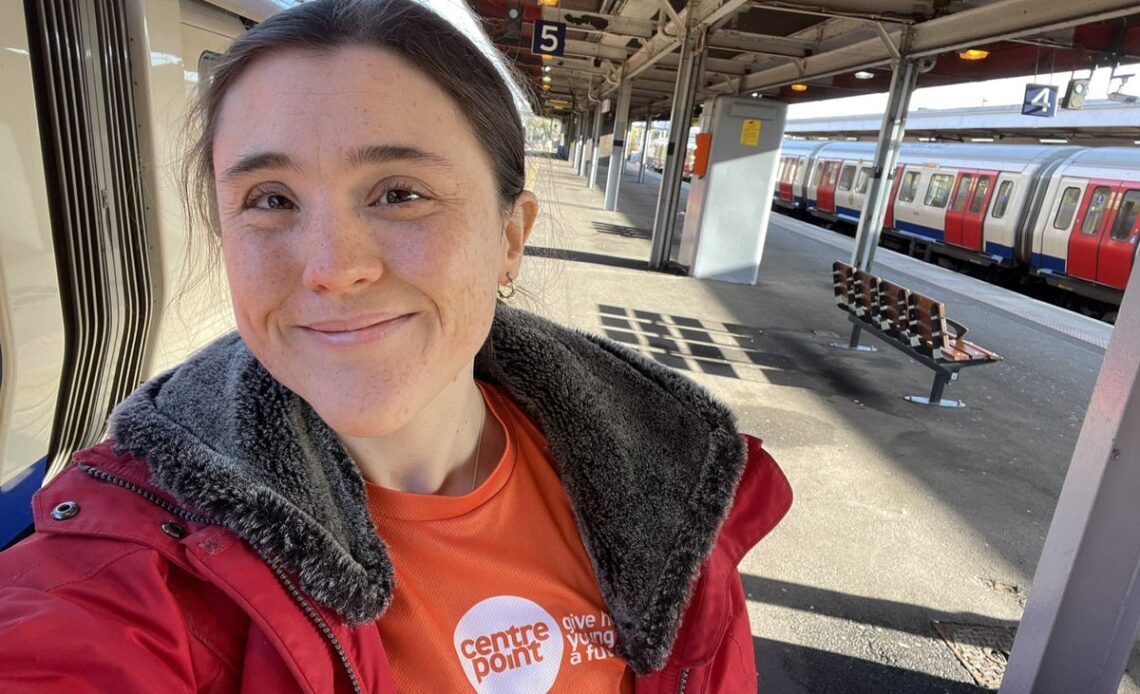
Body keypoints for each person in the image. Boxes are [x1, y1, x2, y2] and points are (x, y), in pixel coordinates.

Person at [0, 0, 791, 691]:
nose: (332, 268)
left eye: (400, 194)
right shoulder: (130, 561)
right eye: (270, 200)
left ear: (510, 238)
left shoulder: (672, 493)